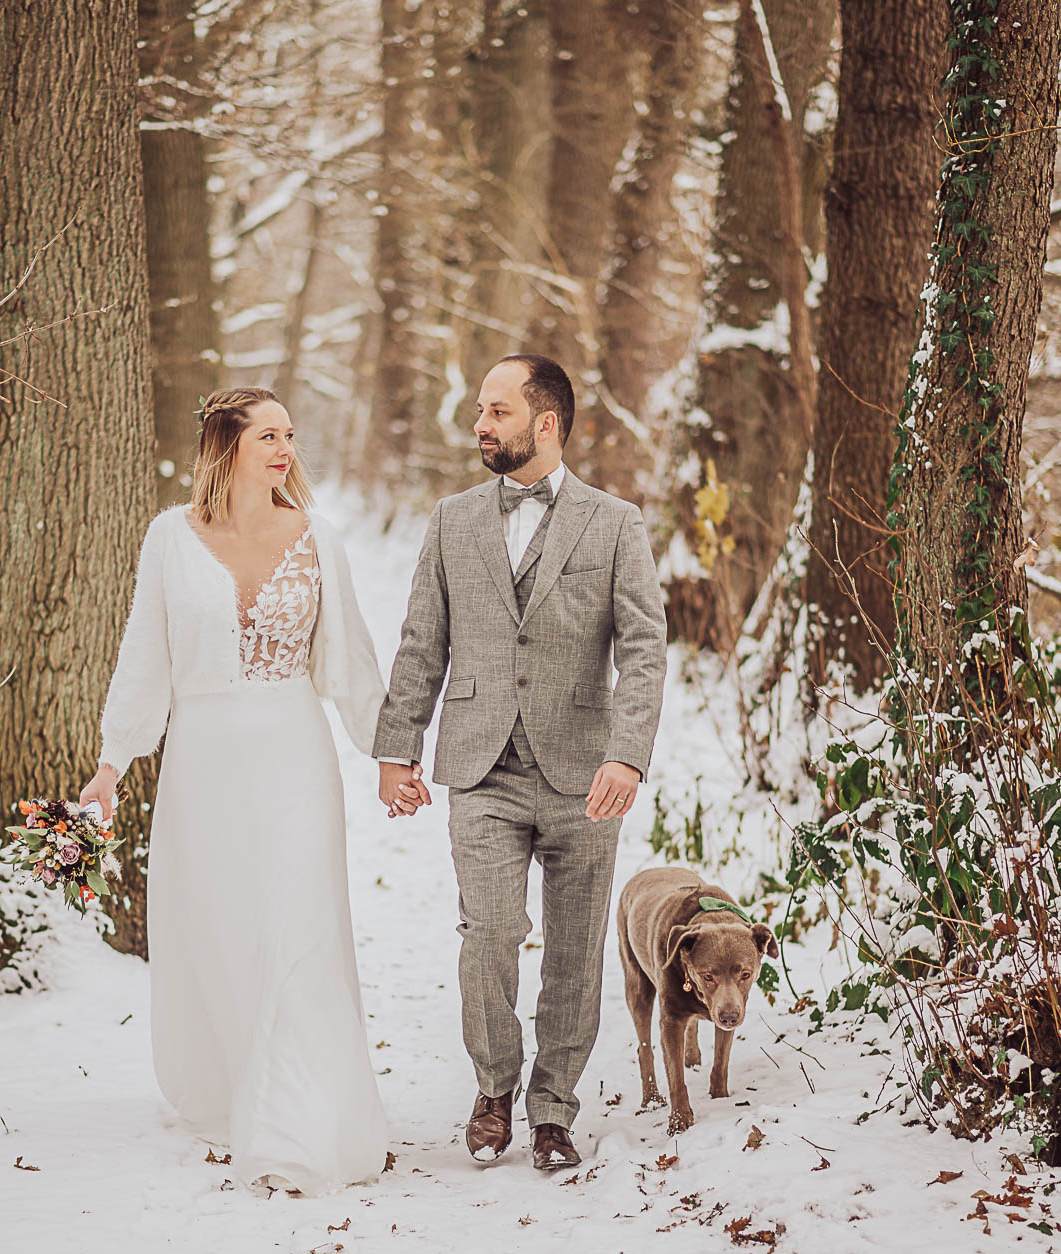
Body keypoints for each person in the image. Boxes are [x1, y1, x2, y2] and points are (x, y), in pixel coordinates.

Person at [81, 389, 412, 1194]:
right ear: (225, 447)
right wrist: (112, 763)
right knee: (222, 928)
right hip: (204, 764)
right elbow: (143, 656)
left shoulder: (318, 538)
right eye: (268, 435)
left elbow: (352, 658)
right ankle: (237, 1087)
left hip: (293, 753)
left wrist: (389, 755)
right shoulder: (170, 537)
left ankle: (297, 1125)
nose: (285, 449)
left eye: (289, 435)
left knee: (298, 927)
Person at [374, 354, 667, 1171]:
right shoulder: (451, 520)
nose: (480, 424)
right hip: (481, 765)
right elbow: (422, 640)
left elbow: (644, 650)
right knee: (490, 933)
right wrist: (398, 747)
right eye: (480, 409)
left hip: (585, 771)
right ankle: (493, 1090)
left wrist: (628, 757)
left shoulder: (616, 523)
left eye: (496, 411)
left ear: (546, 423)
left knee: (575, 948)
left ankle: (554, 1110)